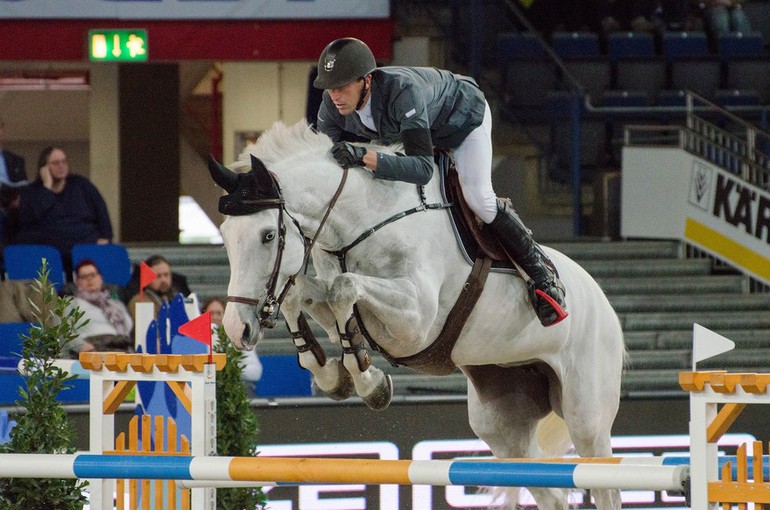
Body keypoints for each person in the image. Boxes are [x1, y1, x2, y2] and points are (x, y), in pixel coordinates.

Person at [313, 37, 567, 326]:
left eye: (343, 86)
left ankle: (543, 277)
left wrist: (363, 156)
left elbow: (422, 169)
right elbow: (329, 163)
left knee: (479, 199)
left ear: (367, 81)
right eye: (330, 87)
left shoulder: (401, 93)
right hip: (415, 131)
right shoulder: (330, 106)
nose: (335, 95)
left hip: (462, 121)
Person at [3, 146, 113, 274]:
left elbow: (102, 212)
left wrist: (106, 236)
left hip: (84, 248)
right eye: (55, 163)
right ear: (43, 168)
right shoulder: (32, 192)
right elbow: (28, 219)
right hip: (48, 255)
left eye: (64, 161)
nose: (61, 166)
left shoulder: (82, 185)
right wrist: (47, 189)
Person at [63, 259, 133, 358]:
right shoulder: (71, 303)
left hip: (123, 349)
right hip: (94, 349)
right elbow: (64, 331)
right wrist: (81, 347)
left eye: (93, 275)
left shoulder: (116, 304)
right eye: (84, 277)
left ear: (100, 278)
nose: (89, 279)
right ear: (77, 282)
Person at [203, 296, 262, 384]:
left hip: (234, 388)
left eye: (219, 313)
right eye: (211, 313)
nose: (215, 317)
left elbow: (256, 371)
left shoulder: (238, 337)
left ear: (225, 316)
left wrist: (230, 369)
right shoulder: (195, 341)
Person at [127, 254, 186, 322]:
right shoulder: (139, 302)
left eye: (166, 275)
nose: (163, 280)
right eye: (158, 276)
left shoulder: (177, 299)